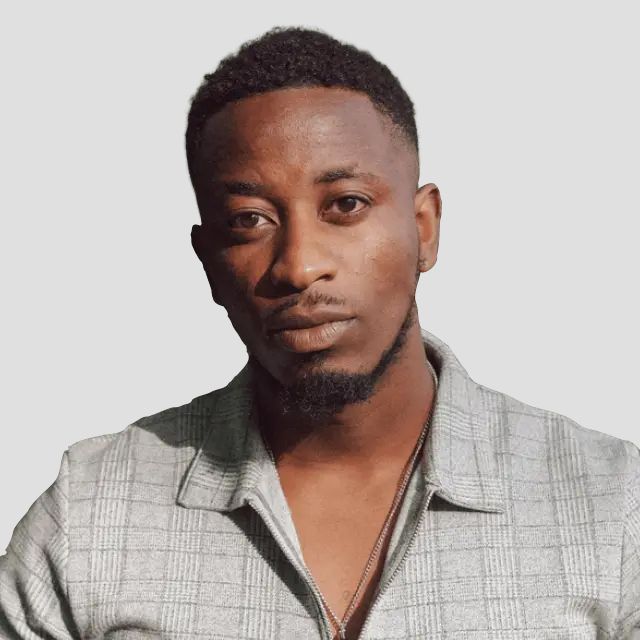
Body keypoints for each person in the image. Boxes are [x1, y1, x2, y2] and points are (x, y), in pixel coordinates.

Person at [1, 26, 638, 640]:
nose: (300, 265)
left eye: (346, 204)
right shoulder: (90, 513)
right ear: (209, 262)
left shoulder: (611, 506)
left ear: (424, 228)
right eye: (249, 220)